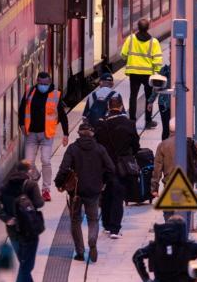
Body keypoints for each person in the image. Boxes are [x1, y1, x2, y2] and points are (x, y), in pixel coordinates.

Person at [54, 121, 114, 263]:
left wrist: (58, 183)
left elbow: (63, 169)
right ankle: (92, 240)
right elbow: (111, 168)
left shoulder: (73, 149)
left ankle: (80, 252)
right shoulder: (100, 149)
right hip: (94, 190)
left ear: (79, 134)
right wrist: (103, 181)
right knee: (93, 219)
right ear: (92, 134)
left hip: (76, 192)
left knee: (75, 220)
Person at [0, 160, 45, 282]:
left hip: (13, 231)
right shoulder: (31, 185)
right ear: (28, 171)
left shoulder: (5, 184)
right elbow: (40, 203)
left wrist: (6, 218)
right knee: (27, 266)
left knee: (24, 264)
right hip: (29, 231)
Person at [18, 71, 69, 202]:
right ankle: (35, 177)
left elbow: (62, 115)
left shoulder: (55, 95)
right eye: (40, 83)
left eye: (45, 84)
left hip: (47, 134)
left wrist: (66, 134)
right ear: (37, 81)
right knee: (28, 163)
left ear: (49, 83)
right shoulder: (30, 92)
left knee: (46, 160)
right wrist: (21, 124)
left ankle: (46, 190)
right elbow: (22, 109)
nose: (42, 86)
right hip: (31, 134)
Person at [95, 95, 139, 238]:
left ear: (108, 107)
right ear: (120, 107)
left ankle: (106, 225)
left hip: (103, 166)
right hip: (121, 167)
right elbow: (136, 146)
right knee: (118, 196)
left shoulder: (100, 124)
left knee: (106, 194)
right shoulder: (129, 124)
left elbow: (96, 146)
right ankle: (115, 229)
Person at [151, 134, 197, 220]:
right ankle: (184, 232)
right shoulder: (191, 142)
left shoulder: (163, 145)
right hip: (187, 183)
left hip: (169, 184)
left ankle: (170, 230)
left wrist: (154, 188)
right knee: (186, 213)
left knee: (168, 212)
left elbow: (157, 168)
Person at [121, 19, 162, 129]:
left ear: (137, 27)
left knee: (133, 96)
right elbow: (157, 60)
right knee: (149, 97)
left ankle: (132, 121)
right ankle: (148, 121)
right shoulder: (154, 42)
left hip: (134, 73)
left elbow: (123, 54)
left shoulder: (130, 39)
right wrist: (157, 72)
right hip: (148, 74)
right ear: (148, 28)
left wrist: (129, 59)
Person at [146, 64, 171, 141]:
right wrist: (150, 101)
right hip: (164, 104)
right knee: (166, 128)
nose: (170, 55)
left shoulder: (185, 70)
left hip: (177, 104)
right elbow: (157, 86)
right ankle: (164, 149)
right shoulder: (164, 70)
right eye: (170, 53)